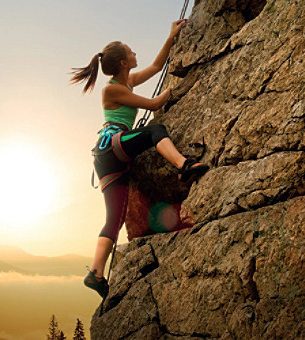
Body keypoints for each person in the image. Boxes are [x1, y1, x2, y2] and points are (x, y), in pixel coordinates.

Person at [70, 19, 209, 298]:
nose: (136, 53)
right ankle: (183, 165)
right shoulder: (112, 90)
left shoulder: (127, 82)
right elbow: (156, 105)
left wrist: (171, 37)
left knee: (116, 218)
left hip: (108, 158)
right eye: (131, 51)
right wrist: (187, 82)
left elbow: (157, 68)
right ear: (123, 62)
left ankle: (96, 274)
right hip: (113, 146)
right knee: (154, 130)